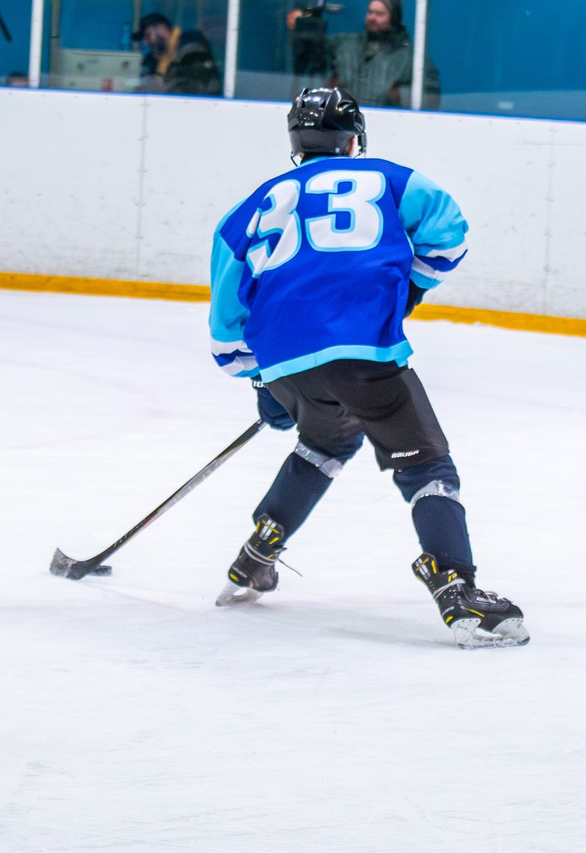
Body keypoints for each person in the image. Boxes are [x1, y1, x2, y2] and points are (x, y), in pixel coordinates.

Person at [205, 87, 527, 645]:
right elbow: (449, 234)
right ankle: (457, 587)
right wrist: (410, 290)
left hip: (286, 360)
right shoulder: (391, 178)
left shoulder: (256, 201)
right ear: (355, 138)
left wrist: (263, 378)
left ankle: (257, 552)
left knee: (325, 444)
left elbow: (228, 316)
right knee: (426, 464)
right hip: (363, 353)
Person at [323, 0, 439, 108]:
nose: (372, 18)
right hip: (344, 120)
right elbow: (313, 56)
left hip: (387, 122)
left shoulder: (409, 58)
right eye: (370, 12)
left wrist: (400, 96)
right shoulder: (345, 45)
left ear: (394, 18)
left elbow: (430, 100)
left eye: (379, 14)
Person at [135, 11, 221, 95]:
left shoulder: (192, 46)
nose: (146, 43)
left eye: (148, 36)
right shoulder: (152, 59)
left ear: (161, 29)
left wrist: (159, 83)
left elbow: (196, 83)